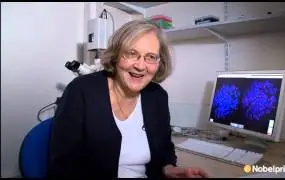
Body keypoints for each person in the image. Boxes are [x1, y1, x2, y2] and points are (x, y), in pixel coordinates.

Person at [48, 20, 209, 178]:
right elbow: (62, 166)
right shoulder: (81, 90)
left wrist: (169, 169)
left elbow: (164, 151)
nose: (140, 66)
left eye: (151, 57)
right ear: (116, 55)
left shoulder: (157, 97)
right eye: (132, 53)